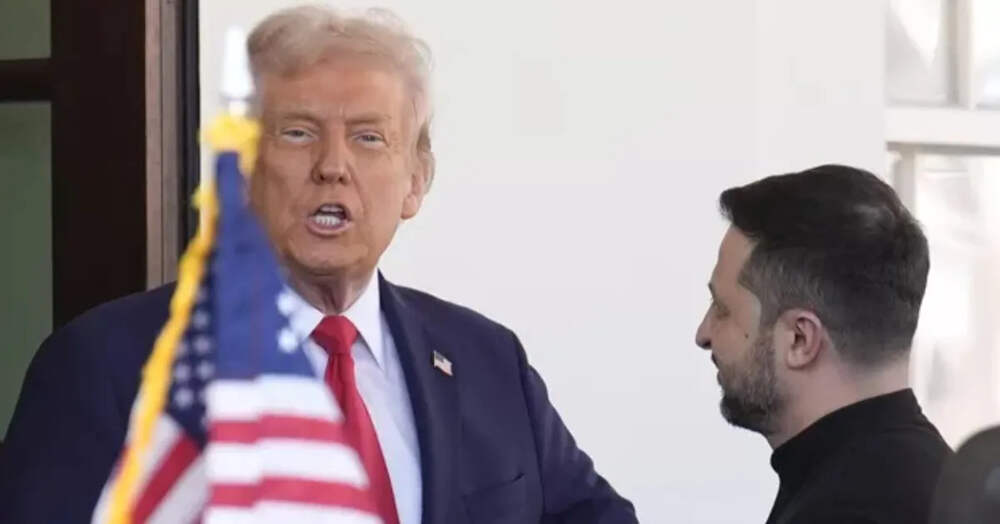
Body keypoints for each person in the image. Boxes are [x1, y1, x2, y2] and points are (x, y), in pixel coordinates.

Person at [0, 6, 636, 523]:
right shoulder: (104, 369)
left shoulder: (488, 360)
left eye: (368, 137)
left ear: (416, 181)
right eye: (298, 132)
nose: (333, 166)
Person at [695, 164, 952, 524]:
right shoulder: (936, 481)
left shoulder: (841, 510)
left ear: (800, 339)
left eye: (722, 309)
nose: (702, 334)